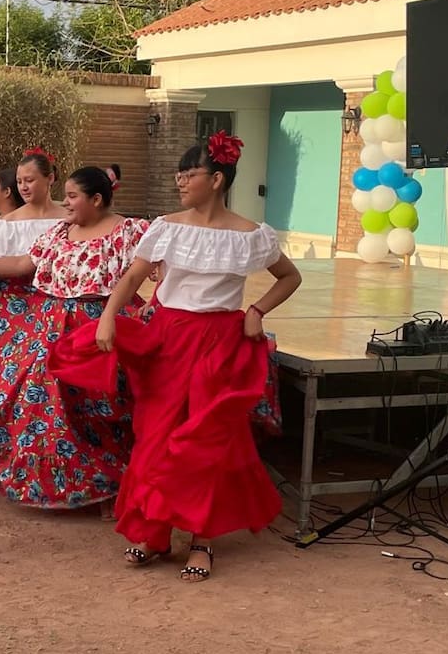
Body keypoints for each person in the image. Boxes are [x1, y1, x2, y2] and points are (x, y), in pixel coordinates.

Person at [51, 132, 301, 582]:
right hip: (168, 340)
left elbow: (289, 276)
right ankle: (155, 533)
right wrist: (108, 318)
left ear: (217, 179)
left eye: (190, 173)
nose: (180, 181)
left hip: (221, 343)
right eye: (179, 174)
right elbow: (133, 278)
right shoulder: (167, 226)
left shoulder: (250, 235)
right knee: (157, 438)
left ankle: (203, 540)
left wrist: (257, 310)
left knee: (206, 441)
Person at [0, 164, 149, 511]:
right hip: (50, 327)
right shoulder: (59, 232)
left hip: (101, 327)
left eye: (73, 196)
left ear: (97, 199)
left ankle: (114, 485)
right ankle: (73, 486)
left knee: (104, 406)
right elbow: (24, 265)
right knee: (41, 403)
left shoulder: (130, 232)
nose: (66, 203)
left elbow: (156, 270)